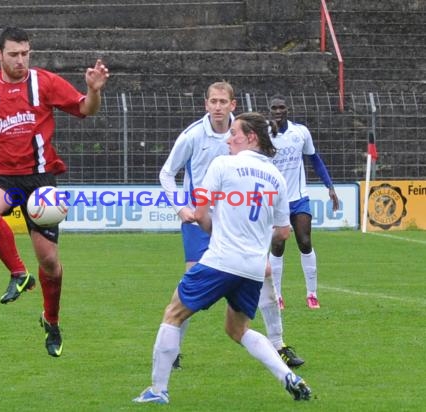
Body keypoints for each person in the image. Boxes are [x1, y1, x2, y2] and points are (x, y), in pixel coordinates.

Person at [0, 26, 109, 357]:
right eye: (13, 54)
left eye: (25, 53)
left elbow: (86, 109)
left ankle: (52, 320)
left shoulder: (44, 82)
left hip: (41, 181)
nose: (20, 60)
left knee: (51, 264)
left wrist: (94, 90)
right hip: (4, 179)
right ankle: (18, 273)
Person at [134, 112, 312, 404]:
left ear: (251, 137)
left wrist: (207, 224)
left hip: (220, 260)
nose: (228, 139)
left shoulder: (223, 164)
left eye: (234, 134)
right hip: (253, 268)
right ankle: (288, 377)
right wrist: (255, 243)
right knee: (238, 329)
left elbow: (202, 215)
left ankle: (158, 390)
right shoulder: (277, 178)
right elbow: (282, 232)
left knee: (174, 313)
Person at [159, 81, 304, 369]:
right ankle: (172, 350)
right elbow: (167, 172)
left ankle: (279, 344)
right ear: (205, 104)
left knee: (265, 276)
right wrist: (181, 208)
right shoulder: (192, 135)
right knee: (190, 281)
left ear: (233, 105)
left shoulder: (241, 134)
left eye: (223, 102)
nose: (217, 107)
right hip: (202, 217)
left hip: (238, 217)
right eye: (213, 101)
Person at [268, 95, 339, 309]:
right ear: (270, 111)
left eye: (282, 107)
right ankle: (277, 295)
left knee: (305, 242)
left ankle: (312, 294)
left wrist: (330, 186)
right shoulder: (263, 134)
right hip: (274, 200)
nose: (278, 111)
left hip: (299, 197)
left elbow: (314, 159)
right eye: (274, 108)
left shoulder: (300, 132)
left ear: (287, 109)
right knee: (278, 245)